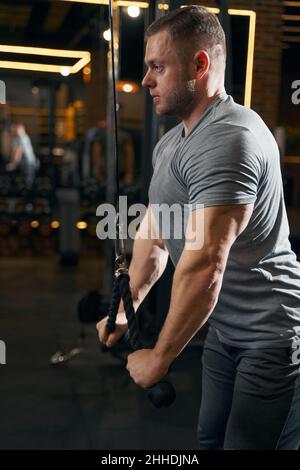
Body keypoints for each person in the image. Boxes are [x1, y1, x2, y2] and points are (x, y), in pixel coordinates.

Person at [97, 6, 300, 449]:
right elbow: (155, 233)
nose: (146, 80)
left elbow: (205, 262)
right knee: (209, 441)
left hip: (270, 336)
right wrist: (123, 304)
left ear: (200, 65)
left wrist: (160, 358)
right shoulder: (173, 142)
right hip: (223, 332)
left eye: (157, 67)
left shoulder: (232, 137)